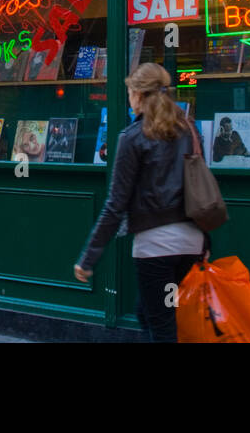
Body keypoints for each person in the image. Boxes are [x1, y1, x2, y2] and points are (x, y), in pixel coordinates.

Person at [73, 62, 208, 342]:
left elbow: (115, 204)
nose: (129, 99)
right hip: (191, 242)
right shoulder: (189, 130)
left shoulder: (132, 137)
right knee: (149, 312)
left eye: (130, 92)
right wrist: (205, 241)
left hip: (156, 246)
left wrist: (88, 259)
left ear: (138, 94)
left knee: (162, 327)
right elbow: (200, 188)